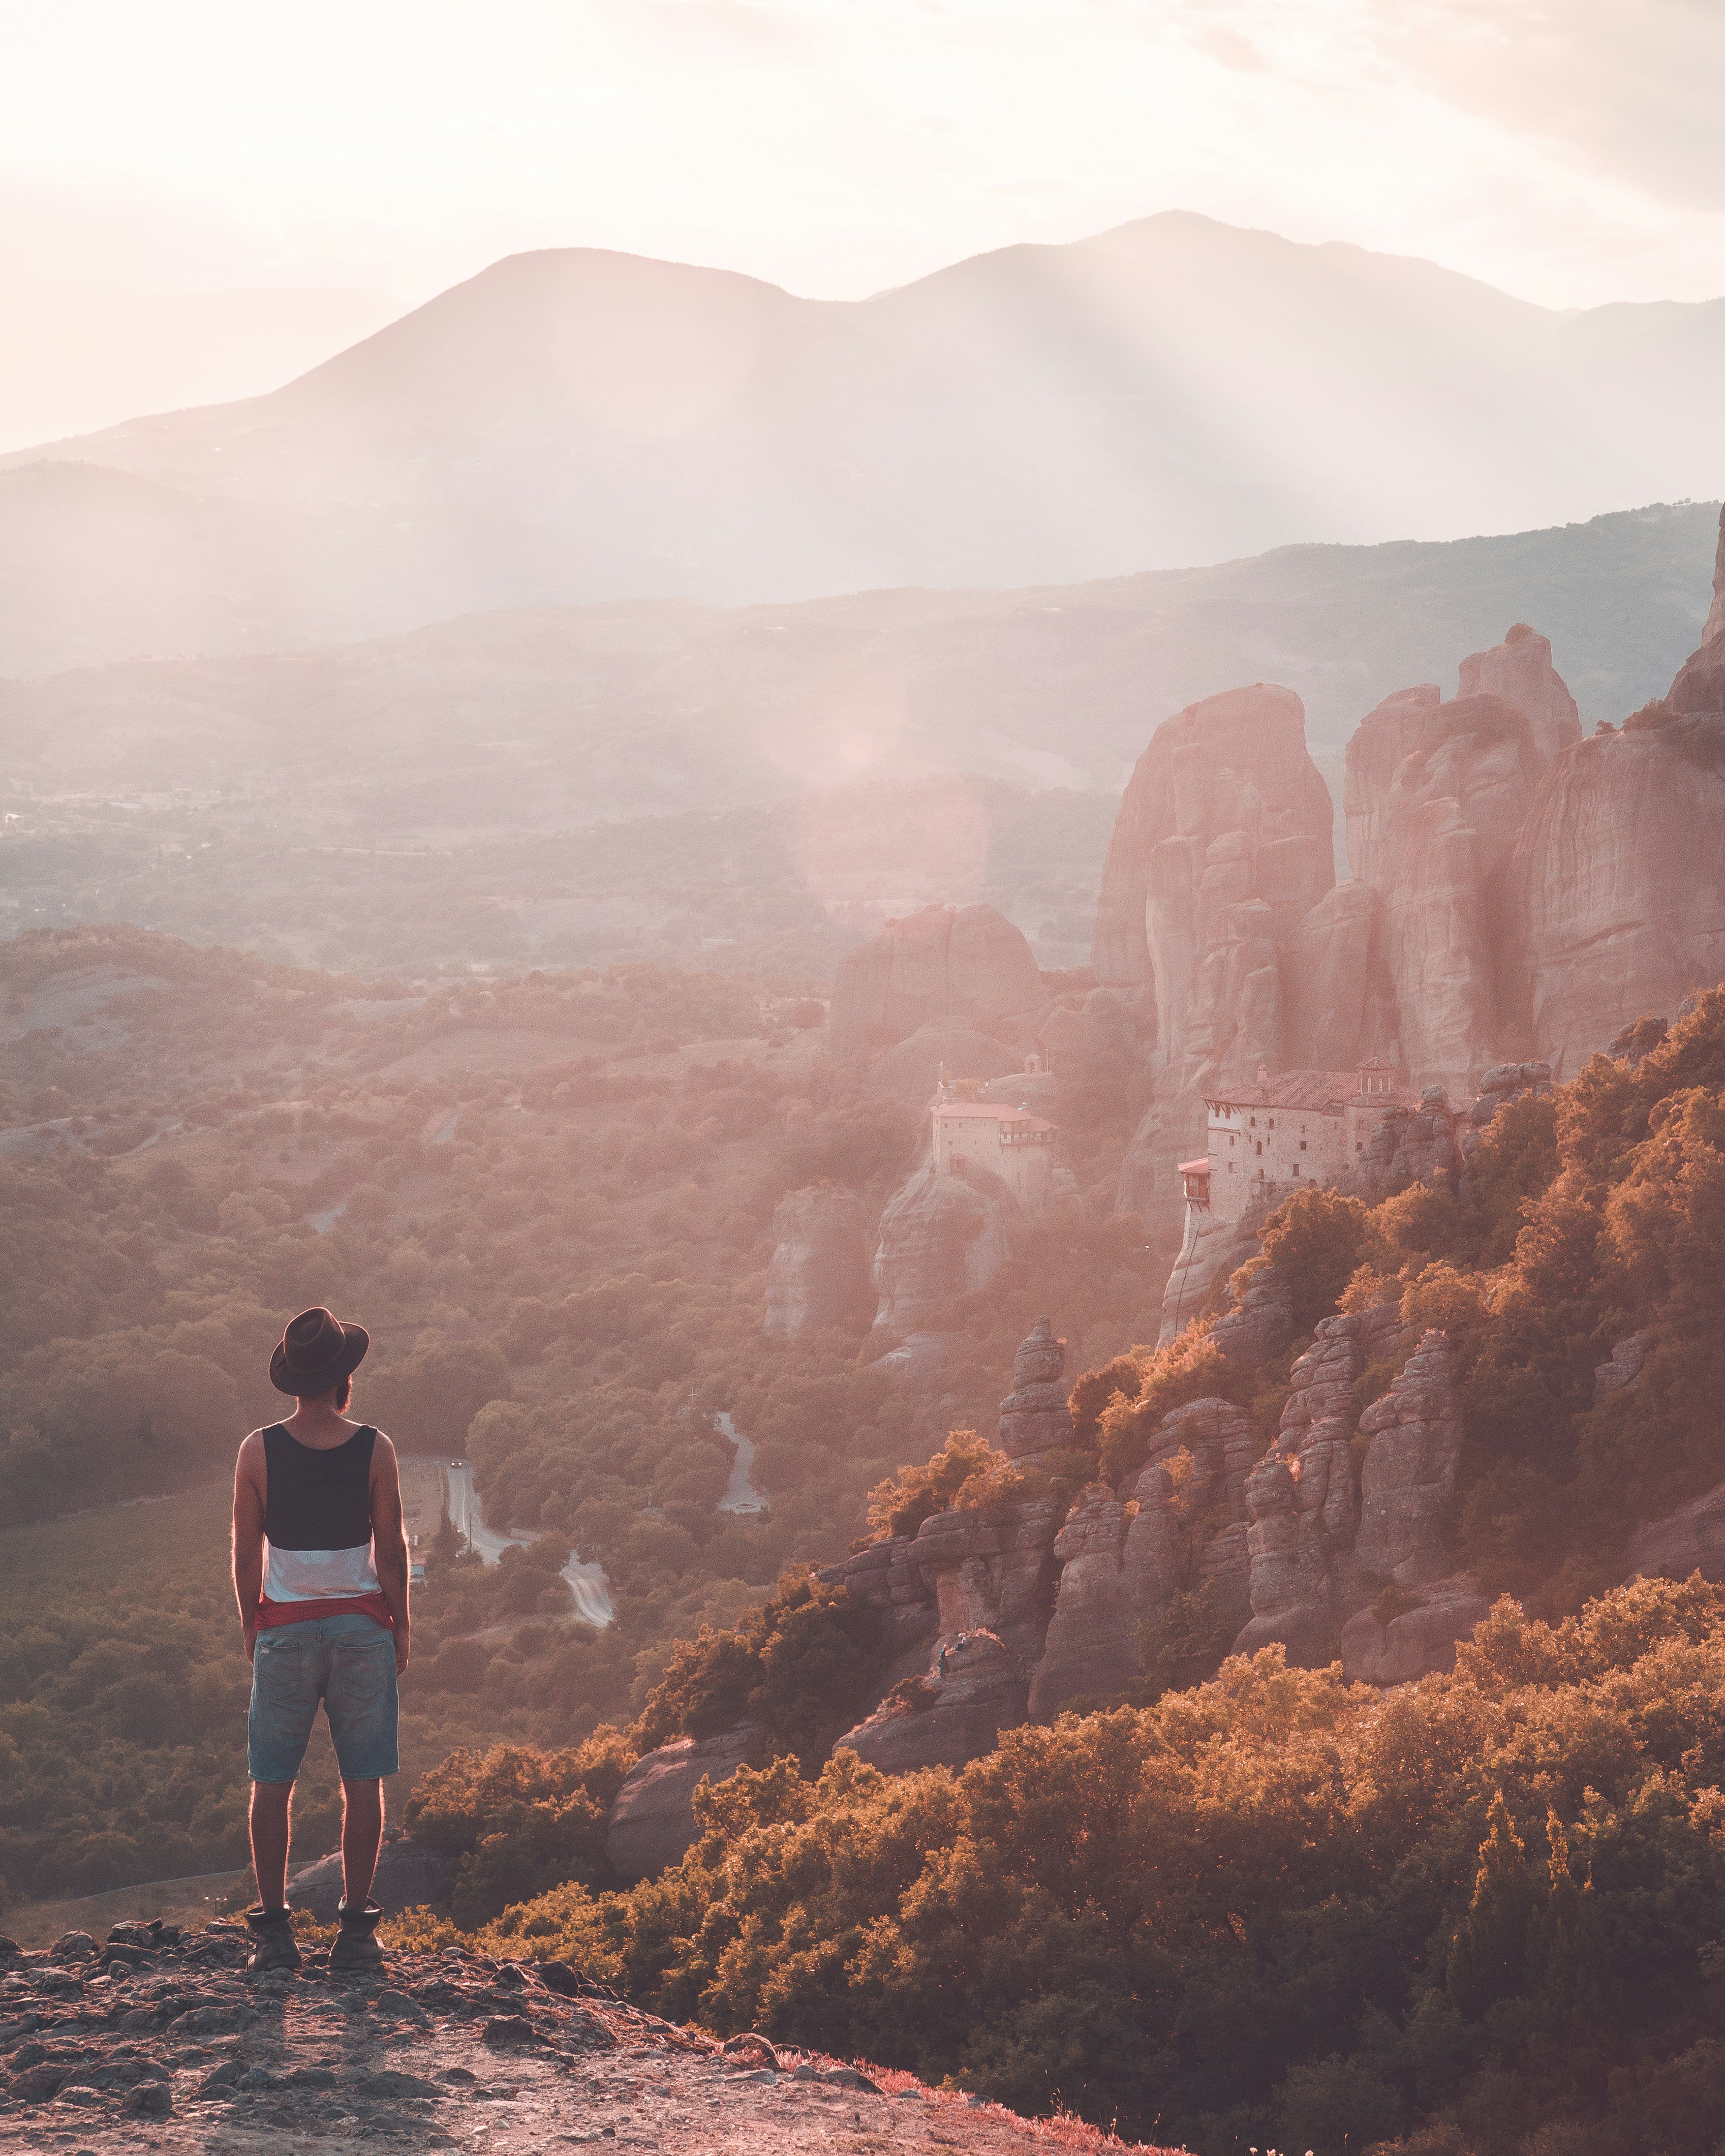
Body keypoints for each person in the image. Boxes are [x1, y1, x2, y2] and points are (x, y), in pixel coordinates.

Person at [231, 1306, 410, 1974]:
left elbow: (246, 1555)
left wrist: (252, 1622)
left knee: (271, 1779)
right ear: (344, 1378)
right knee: (362, 1780)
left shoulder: (257, 1449)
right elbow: (389, 1548)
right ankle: (357, 1936)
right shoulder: (376, 1446)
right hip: (362, 1627)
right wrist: (402, 1624)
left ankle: (275, 1936)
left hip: (284, 1629)